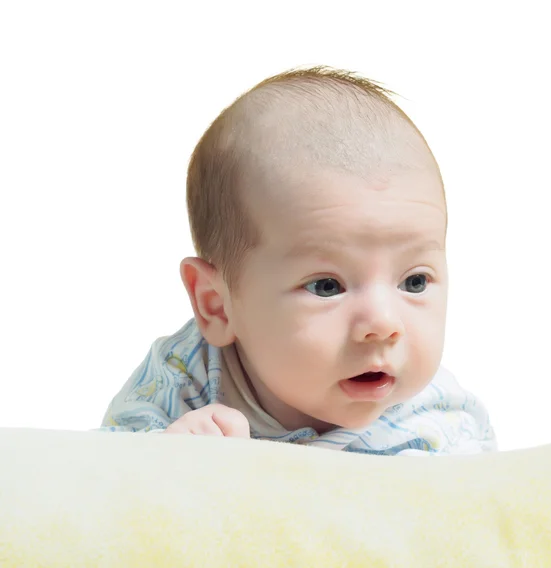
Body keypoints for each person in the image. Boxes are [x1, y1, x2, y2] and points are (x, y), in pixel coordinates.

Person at [101, 66, 496, 456]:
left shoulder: (441, 427)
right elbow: (97, 469)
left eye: (414, 282)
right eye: (327, 286)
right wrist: (167, 457)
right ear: (217, 304)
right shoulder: (186, 381)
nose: (383, 324)